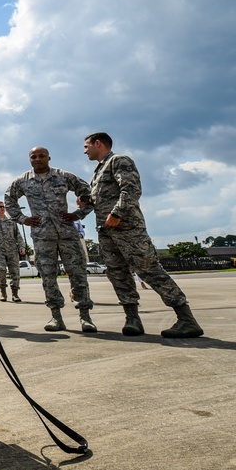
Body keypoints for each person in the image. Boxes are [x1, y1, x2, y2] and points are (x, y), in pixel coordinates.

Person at [84, 132, 203, 338]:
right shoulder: (98, 170)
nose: (85, 151)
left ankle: (186, 319)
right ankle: (132, 319)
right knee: (118, 274)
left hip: (128, 229)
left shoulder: (118, 160)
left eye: (87, 146)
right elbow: (104, 198)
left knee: (149, 270)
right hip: (107, 232)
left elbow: (131, 188)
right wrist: (88, 201)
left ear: (98, 143)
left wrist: (116, 213)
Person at [4, 147, 97, 332]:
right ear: (29, 159)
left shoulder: (63, 176)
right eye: (33, 157)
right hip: (42, 237)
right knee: (48, 277)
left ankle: (85, 317)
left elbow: (90, 193)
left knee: (78, 275)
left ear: (49, 158)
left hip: (67, 235)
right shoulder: (22, 181)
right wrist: (23, 219)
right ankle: (56, 316)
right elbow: (9, 200)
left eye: (41, 156)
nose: (37, 159)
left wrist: (79, 213)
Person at [0, 202, 26, 303]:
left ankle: (15, 294)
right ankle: (3, 292)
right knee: (1, 270)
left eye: (3, 207)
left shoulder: (11, 221)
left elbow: (18, 235)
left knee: (15, 272)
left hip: (12, 250)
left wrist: (22, 246)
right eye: (0, 207)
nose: (2, 208)